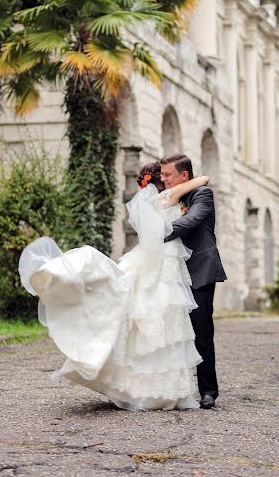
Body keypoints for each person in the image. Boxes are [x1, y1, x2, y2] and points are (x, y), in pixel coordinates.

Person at [18, 162, 210, 411]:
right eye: (163, 175)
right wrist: (189, 180)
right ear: (158, 183)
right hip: (164, 261)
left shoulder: (155, 200)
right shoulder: (167, 196)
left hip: (158, 258)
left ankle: (148, 386)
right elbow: (202, 179)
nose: (168, 178)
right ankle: (161, 388)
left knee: (154, 318)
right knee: (165, 320)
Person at [160, 153, 227, 410]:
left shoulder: (202, 195)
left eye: (168, 175)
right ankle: (171, 388)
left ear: (184, 176)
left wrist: (161, 232)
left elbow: (191, 220)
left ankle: (208, 391)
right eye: (162, 174)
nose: (163, 179)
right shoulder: (165, 194)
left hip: (199, 270)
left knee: (201, 332)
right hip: (170, 272)